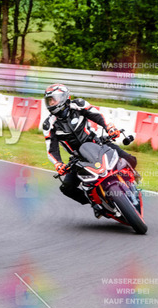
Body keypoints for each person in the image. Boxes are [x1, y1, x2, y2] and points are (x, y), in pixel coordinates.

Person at [42, 83, 138, 218]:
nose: (51, 103)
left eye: (54, 99)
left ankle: (132, 183)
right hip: (78, 158)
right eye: (49, 101)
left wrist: (109, 128)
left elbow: (97, 115)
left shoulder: (78, 104)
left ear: (64, 97)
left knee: (130, 160)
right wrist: (58, 163)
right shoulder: (49, 124)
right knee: (67, 188)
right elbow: (51, 149)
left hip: (98, 144)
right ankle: (96, 204)